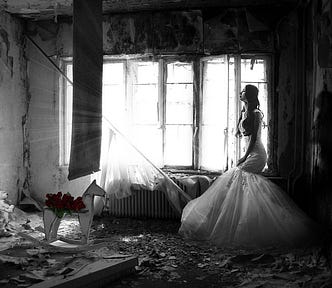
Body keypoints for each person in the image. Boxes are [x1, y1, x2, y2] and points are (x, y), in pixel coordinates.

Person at [179, 84, 319, 250]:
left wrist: (244, 156)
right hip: (249, 152)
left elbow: (254, 139)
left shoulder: (256, 113)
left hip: (257, 154)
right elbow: (242, 134)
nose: (241, 92)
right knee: (240, 183)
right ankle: (242, 221)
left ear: (250, 95)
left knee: (238, 175)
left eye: (244, 91)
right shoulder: (244, 112)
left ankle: (250, 225)